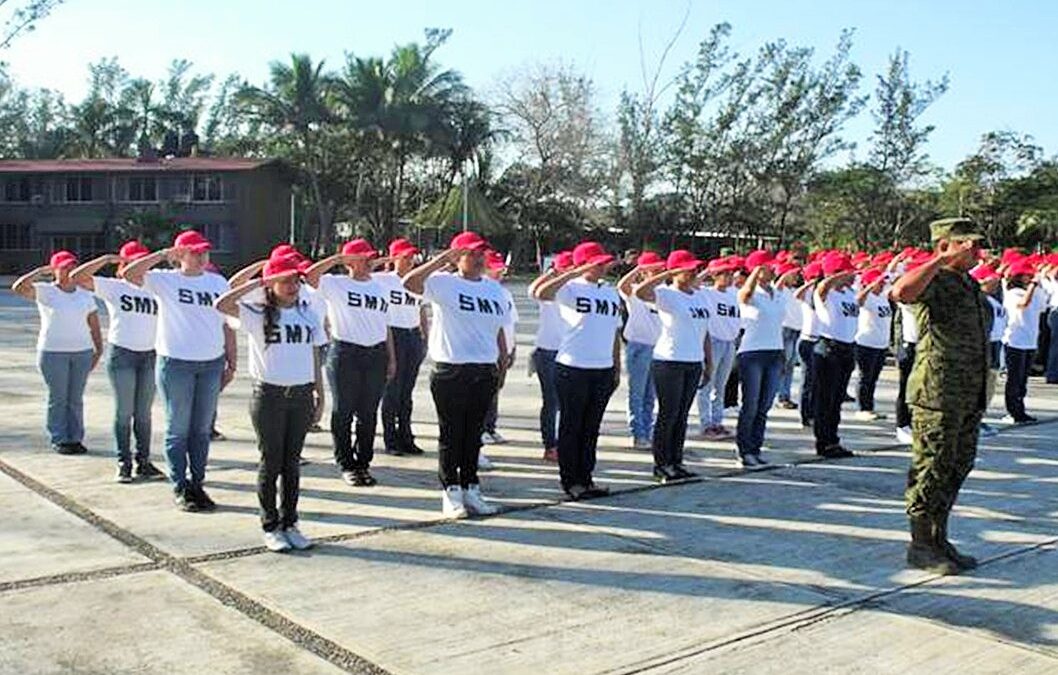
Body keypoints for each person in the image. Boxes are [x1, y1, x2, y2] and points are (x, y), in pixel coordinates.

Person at [891, 217, 991, 575]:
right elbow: (901, 292)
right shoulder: (935, 280)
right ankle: (920, 545)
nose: (977, 251)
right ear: (946, 244)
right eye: (969, 245)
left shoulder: (968, 284)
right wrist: (939, 259)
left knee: (957, 465)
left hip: (967, 393)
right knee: (931, 468)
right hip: (937, 393)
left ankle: (939, 537)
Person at [214, 254, 323, 552]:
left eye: (296, 280)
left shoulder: (308, 313)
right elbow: (221, 304)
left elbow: (314, 355)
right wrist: (260, 281)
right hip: (269, 396)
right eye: (284, 280)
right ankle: (270, 524)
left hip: (300, 395)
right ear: (271, 284)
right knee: (271, 461)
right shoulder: (256, 313)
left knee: (292, 464)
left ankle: (291, 522)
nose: (292, 286)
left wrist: (320, 395)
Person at [123, 230, 235, 512]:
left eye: (204, 252)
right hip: (176, 364)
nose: (201, 257)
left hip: (210, 363)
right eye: (194, 252)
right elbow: (129, 274)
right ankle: (180, 485)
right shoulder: (165, 280)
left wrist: (231, 360)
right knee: (178, 428)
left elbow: (225, 323)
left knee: (200, 430)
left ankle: (198, 483)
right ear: (180, 255)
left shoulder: (217, 282)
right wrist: (162, 255)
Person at [402, 231, 509, 517]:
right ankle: (450, 491)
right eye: (471, 254)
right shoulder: (442, 283)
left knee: (474, 435)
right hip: (451, 369)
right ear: (457, 257)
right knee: (452, 434)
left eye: (480, 254)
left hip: (484, 369)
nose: (477, 259)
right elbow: (410, 283)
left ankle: (470, 487)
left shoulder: (494, 289)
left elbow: (497, 327)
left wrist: (501, 360)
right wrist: (440, 261)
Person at [533, 241, 622, 500]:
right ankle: (570, 480)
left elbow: (614, 332)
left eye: (604, 262)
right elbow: (540, 293)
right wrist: (571, 272)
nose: (603, 266)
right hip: (572, 367)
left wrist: (616, 366)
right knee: (571, 427)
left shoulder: (610, 292)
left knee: (591, 427)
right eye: (597, 262)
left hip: (601, 368)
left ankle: (587, 477)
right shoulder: (568, 288)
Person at [305, 239, 397, 488]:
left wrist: (391, 357)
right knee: (344, 410)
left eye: (370, 258)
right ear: (350, 262)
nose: (369, 262)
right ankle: (346, 463)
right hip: (346, 353)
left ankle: (363, 462)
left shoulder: (379, 287)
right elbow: (309, 275)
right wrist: (337, 259)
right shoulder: (336, 284)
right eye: (363, 258)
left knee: (368, 412)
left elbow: (384, 324)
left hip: (375, 353)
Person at [70, 242, 165, 482]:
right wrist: (104, 259)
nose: (138, 267)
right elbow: (77, 277)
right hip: (122, 355)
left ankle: (143, 461)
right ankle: (124, 462)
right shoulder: (114, 287)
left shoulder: (155, 286)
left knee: (143, 414)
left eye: (141, 262)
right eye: (131, 262)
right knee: (124, 412)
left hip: (150, 355)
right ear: (122, 265)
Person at [12, 251, 103, 455]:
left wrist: (98, 349)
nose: (69, 271)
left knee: (75, 398)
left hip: (81, 352)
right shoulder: (45, 291)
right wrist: (38, 271)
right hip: (53, 353)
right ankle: (60, 437)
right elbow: (18, 288)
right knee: (59, 397)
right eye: (64, 268)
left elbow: (94, 324)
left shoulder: (85, 294)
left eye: (72, 267)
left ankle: (75, 437)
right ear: (55, 270)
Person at [634, 250, 712, 482]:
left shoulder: (700, 295)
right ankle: (662, 464)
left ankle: (676, 462)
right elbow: (640, 292)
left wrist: (709, 362)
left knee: (682, 415)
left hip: (693, 361)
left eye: (693, 268)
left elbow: (705, 331)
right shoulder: (665, 294)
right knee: (668, 414)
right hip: (669, 361)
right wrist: (667, 272)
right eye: (686, 268)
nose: (691, 272)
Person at [375, 238, 428, 456]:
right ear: (394, 258)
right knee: (392, 390)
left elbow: (421, 308)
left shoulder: (417, 281)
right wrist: (384, 260)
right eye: (404, 257)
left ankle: (406, 435)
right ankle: (391, 438)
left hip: (412, 334)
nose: (410, 261)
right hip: (392, 334)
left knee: (407, 391)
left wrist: (425, 335)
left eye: (412, 257)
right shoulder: (383, 280)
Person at [733, 250, 785, 469]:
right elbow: (744, 294)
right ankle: (744, 451)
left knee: (764, 406)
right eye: (768, 267)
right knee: (751, 405)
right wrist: (755, 272)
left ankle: (756, 448)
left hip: (774, 352)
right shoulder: (749, 293)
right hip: (752, 353)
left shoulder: (777, 293)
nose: (773, 269)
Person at [527, 251, 573, 462]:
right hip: (547, 351)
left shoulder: (574, 292)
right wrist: (552, 273)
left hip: (569, 351)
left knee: (568, 402)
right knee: (551, 401)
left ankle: (565, 442)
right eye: (567, 268)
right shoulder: (549, 292)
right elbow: (533, 291)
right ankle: (550, 445)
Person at [812, 252, 858, 459]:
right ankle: (824, 442)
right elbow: (821, 287)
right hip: (829, 348)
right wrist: (834, 276)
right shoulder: (826, 293)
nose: (853, 275)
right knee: (825, 400)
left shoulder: (849, 293)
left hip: (847, 348)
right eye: (848, 272)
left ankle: (833, 439)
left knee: (837, 399)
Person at [616, 251, 664, 449]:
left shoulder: (663, 292)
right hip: (639, 346)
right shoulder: (635, 291)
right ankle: (638, 433)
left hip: (659, 348)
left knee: (651, 395)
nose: (658, 272)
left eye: (659, 269)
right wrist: (639, 268)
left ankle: (649, 430)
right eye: (653, 270)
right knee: (638, 392)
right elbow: (621, 286)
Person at [696, 257, 740, 439]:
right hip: (713, 341)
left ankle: (717, 421)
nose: (730, 277)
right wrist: (708, 270)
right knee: (707, 384)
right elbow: (695, 283)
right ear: (715, 276)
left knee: (720, 386)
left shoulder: (733, 292)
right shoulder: (706, 293)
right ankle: (706, 424)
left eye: (731, 273)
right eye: (725, 274)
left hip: (729, 342)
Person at [481, 250, 518, 454]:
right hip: (490, 349)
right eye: (495, 267)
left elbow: (511, 323)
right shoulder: (485, 290)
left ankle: (491, 426)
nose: (499, 271)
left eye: (501, 267)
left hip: (505, 348)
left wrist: (513, 348)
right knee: (486, 391)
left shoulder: (504, 293)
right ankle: (482, 428)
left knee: (496, 390)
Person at [1001, 258, 1047, 424]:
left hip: (1030, 340)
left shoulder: (1035, 291)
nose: (1030, 278)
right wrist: (1033, 287)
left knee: (1023, 380)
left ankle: (1021, 410)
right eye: (1027, 275)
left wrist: (1038, 288)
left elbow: (1042, 308)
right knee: (1014, 378)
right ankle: (1013, 411)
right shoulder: (1013, 293)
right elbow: (1023, 304)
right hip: (1015, 340)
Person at [853, 267, 893, 422]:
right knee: (865, 377)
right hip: (866, 343)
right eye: (879, 283)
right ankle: (862, 408)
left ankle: (870, 407)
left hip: (881, 344)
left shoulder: (883, 296)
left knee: (873, 378)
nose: (882, 285)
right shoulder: (868, 298)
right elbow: (858, 300)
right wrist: (869, 285)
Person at [971, 264, 1006, 437]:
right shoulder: (980, 300)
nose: (995, 283)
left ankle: (981, 416)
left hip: (996, 343)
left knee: (991, 383)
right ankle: (975, 419)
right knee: (982, 384)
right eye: (991, 280)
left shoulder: (993, 300)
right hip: (986, 345)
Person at [793, 261, 823, 428]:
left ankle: (813, 411)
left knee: (818, 381)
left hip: (820, 340)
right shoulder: (808, 293)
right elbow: (796, 295)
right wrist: (811, 282)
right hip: (807, 340)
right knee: (807, 380)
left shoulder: (824, 293)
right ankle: (804, 414)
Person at [775, 261, 803, 410]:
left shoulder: (793, 290)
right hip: (786, 330)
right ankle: (781, 396)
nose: (796, 277)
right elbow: (778, 284)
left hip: (796, 330)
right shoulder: (779, 289)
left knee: (790, 365)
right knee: (783, 365)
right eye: (793, 274)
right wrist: (785, 275)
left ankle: (786, 395)